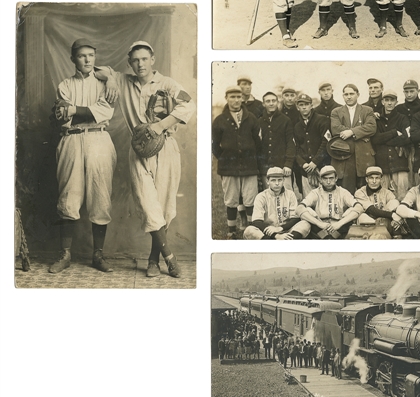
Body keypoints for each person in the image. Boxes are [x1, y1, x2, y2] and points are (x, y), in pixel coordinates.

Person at [98, 41, 195, 278]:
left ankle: (153, 260)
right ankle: (169, 257)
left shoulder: (167, 83)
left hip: (166, 147)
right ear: (130, 63)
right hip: (139, 150)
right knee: (147, 203)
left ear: (152, 59)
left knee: (163, 206)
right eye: (135, 60)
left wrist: (160, 126)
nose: (140, 64)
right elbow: (97, 70)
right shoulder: (124, 80)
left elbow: (189, 104)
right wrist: (111, 77)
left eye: (144, 59)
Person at [49, 38, 116, 274]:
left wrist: (74, 110)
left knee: (100, 195)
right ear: (73, 59)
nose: (87, 60)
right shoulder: (65, 84)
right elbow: (62, 116)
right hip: (71, 139)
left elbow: (104, 112)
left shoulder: (105, 83)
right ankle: (65, 254)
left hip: (99, 139)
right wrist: (82, 112)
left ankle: (98, 255)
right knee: (69, 194)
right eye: (82, 55)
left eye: (91, 55)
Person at [212, 86, 262, 238]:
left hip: (249, 166)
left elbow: (258, 142)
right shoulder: (220, 120)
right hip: (229, 167)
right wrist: (225, 158)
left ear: (242, 98)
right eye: (232, 97)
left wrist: (253, 159)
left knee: (250, 199)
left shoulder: (251, 118)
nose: (235, 100)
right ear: (226, 98)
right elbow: (215, 145)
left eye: (238, 97)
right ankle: (231, 231)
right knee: (231, 200)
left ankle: (251, 230)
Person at [330, 84, 377, 194]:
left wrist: (351, 132)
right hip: (345, 157)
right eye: (346, 94)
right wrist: (361, 134)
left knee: (365, 191)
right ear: (343, 96)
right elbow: (336, 129)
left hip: (363, 156)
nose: (349, 97)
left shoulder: (367, 110)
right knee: (346, 191)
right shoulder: (336, 111)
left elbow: (371, 127)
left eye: (351, 94)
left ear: (358, 95)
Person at [243, 167, 311, 240]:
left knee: (305, 224)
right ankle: (277, 243)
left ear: (283, 181)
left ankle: (286, 241)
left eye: (279, 180)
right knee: (249, 230)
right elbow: (256, 221)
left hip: (287, 230)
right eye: (273, 180)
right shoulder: (261, 196)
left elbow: (295, 218)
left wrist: (280, 228)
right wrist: (275, 236)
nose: (277, 183)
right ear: (267, 181)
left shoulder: (290, 194)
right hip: (268, 231)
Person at [297, 165, 360, 239]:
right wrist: (319, 223)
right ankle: (327, 237)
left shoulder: (343, 192)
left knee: (352, 209)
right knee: (306, 209)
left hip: (339, 225)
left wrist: (339, 224)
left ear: (336, 178)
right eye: (325, 179)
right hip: (320, 226)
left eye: (331, 178)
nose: (328, 182)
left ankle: (332, 237)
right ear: (320, 180)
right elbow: (299, 208)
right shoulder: (315, 192)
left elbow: (359, 207)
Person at [371, 89, 411, 200]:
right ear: (382, 102)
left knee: (402, 195)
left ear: (396, 102)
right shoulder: (377, 120)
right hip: (382, 164)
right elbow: (375, 139)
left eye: (392, 100)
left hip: (400, 163)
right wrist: (393, 133)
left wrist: (386, 140)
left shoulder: (402, 118)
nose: (389, 103)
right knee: (383, 197)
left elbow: (407, 138)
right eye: (386, 100)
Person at [293, 93, 331, 195]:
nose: (304, 107)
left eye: (306, 104)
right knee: (309, 199)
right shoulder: (297, 126)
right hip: (306, 170)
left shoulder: (322, 120)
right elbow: (296, 148)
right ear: (297, 107)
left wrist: (315, 162)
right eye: (301, 105)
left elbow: (326, 143)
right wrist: (303, 164)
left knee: (326, 197)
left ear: (311, 105)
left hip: (323, 166)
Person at [257, 92, 296, 192]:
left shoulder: (285, 120)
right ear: (263, 104)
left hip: (283, 167)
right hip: (266, 168)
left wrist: (288, 164)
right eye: (268, 101)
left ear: (277, 102)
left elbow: (290, 143)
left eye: (273, 101)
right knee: (269, 198)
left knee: (286, 197)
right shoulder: (259, 122)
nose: (271, 103)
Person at [353, 166, 402, 236]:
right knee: (363, 216)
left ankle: (394, 236)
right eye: (371, 178)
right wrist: (392, 215)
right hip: (368, 223)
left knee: (395, 202)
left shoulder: (387, 192)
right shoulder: (360, 192)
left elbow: (396, 207)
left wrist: (396, 219)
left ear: (381, 179)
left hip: (384, 221)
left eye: (377, 178)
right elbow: (371, 210)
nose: (374, 181)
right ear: (366, 179)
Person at [395, 79, 420, 187]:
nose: (409, 94)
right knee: (406, 178)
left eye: (412, 91)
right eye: (406, 92)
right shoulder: (399, 108)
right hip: (404, 147)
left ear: (418, 91)